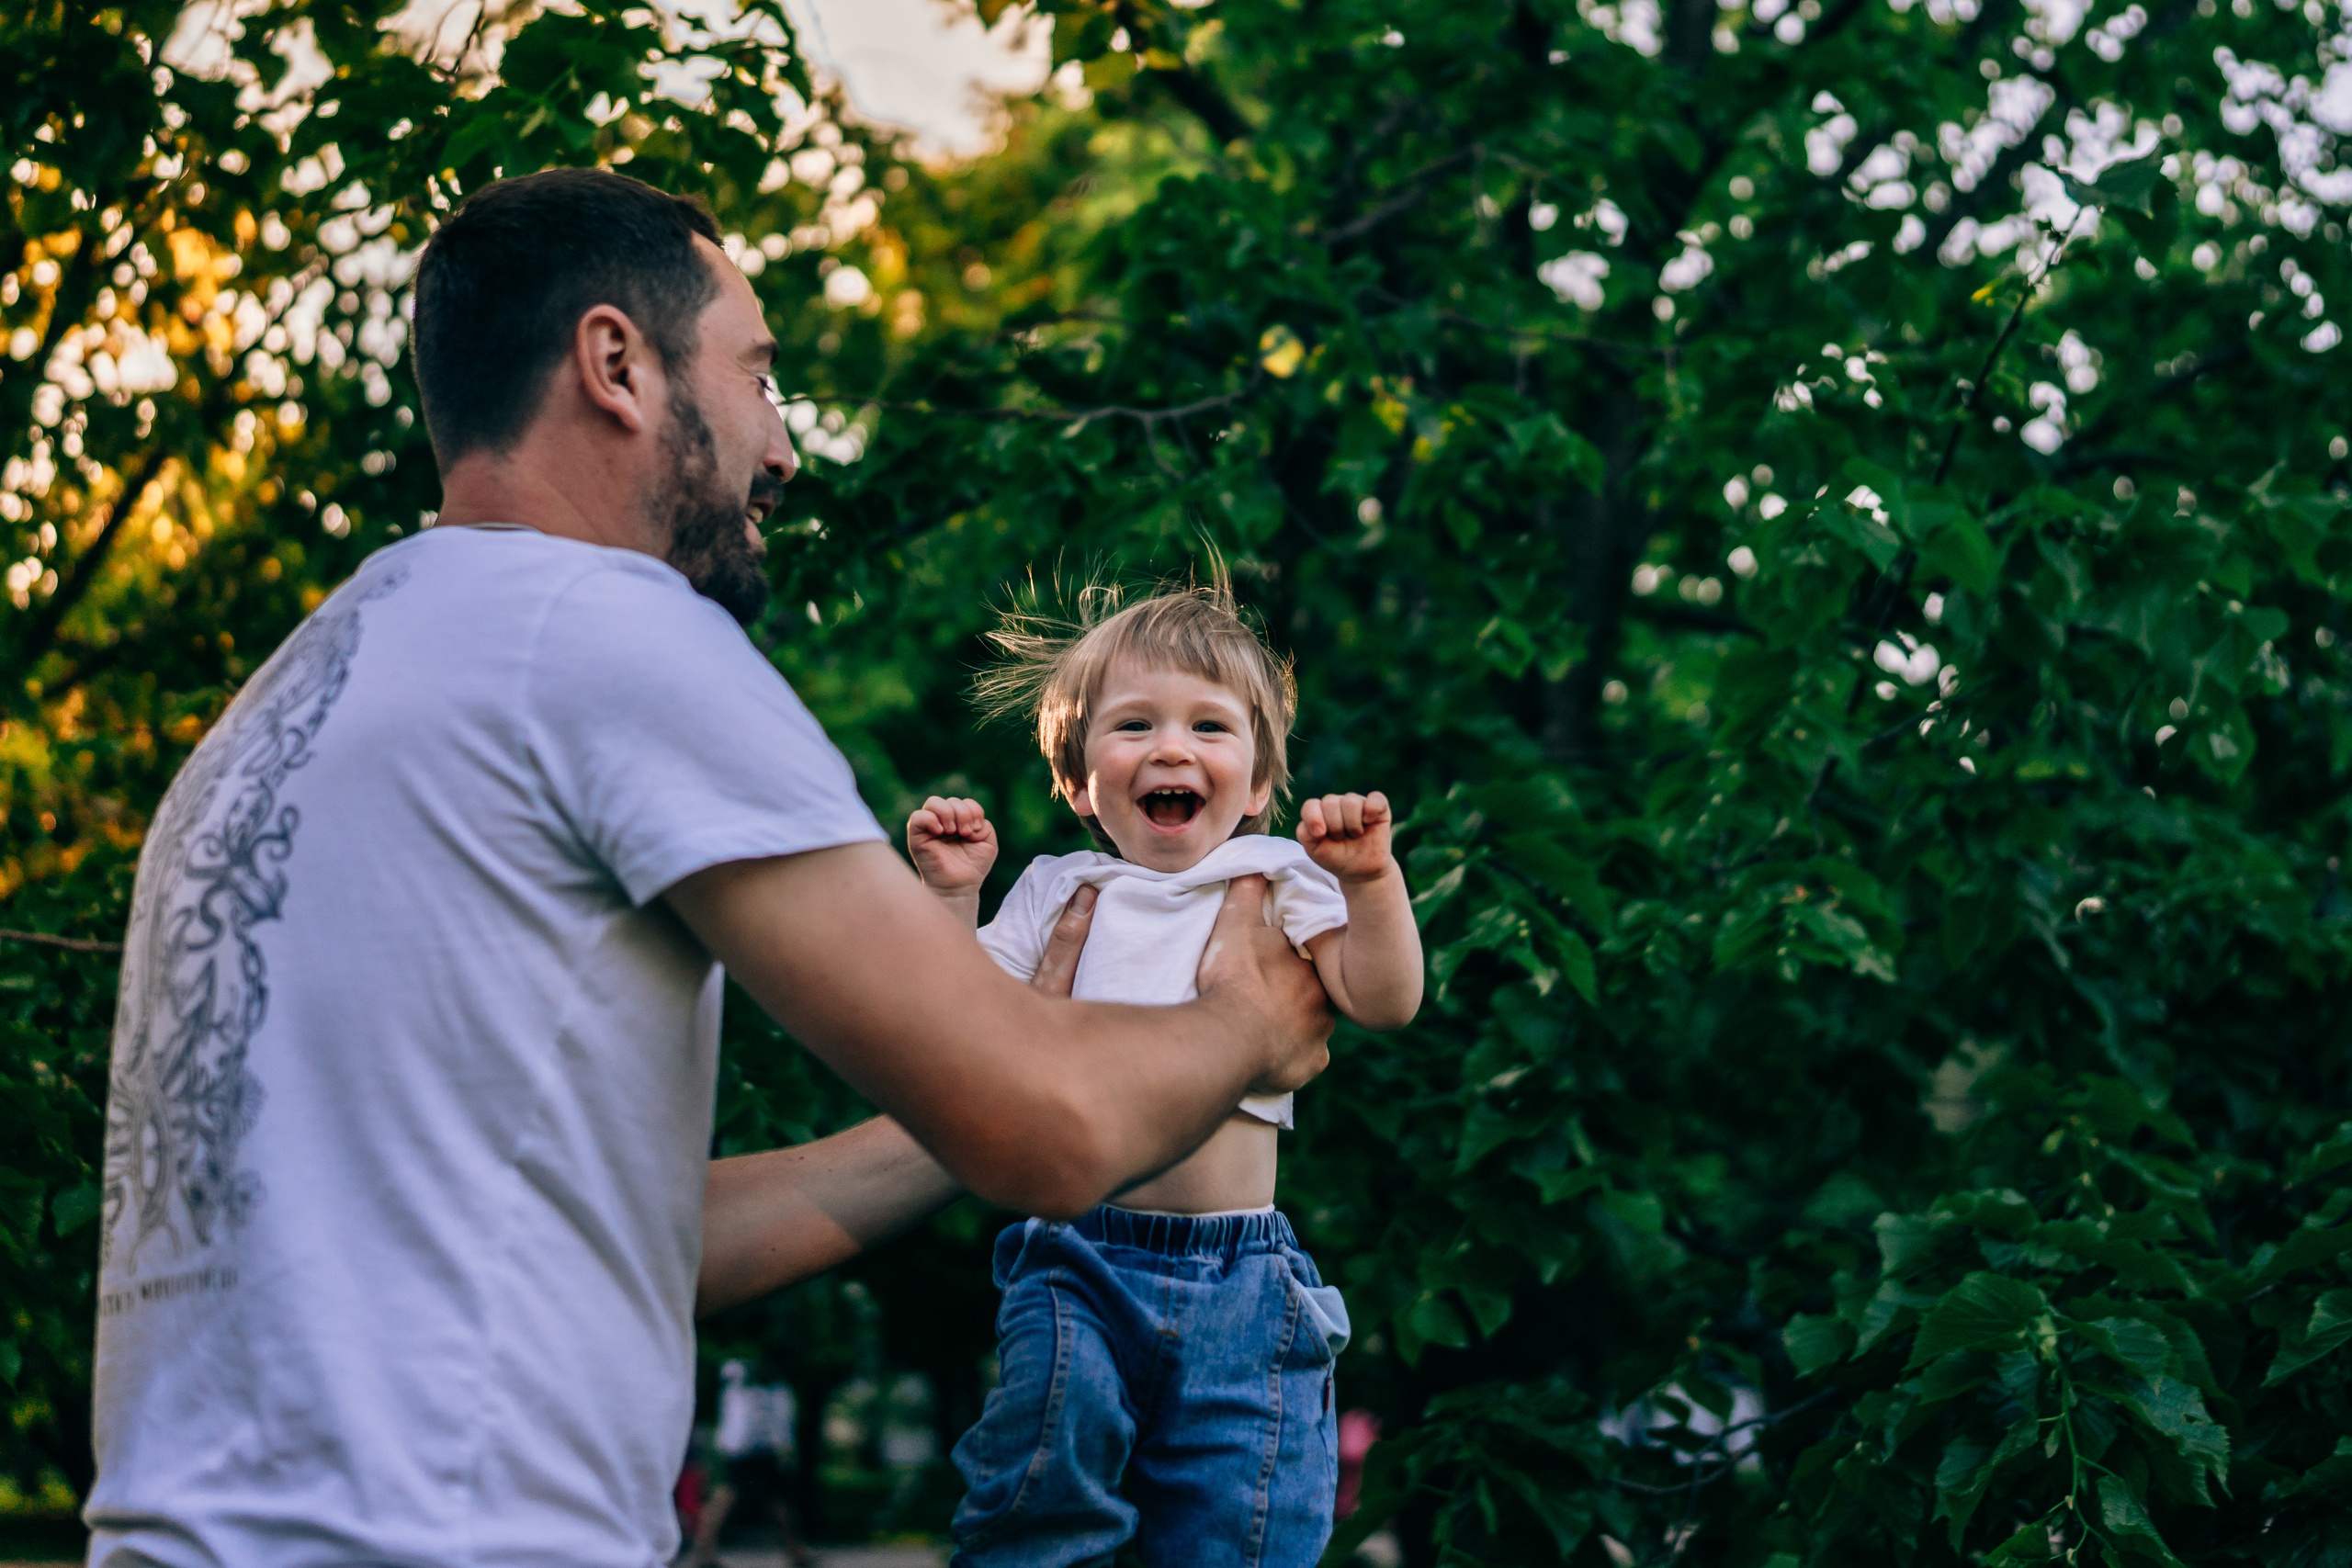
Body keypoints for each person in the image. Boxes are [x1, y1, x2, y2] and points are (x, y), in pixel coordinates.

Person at [83, 166, 1331, 1568]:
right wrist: (1252, 1019)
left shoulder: (297, 697)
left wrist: (967, 1086)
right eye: (757, 375)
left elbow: (618, 1244)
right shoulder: (606, 631)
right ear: (617, 364)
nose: (783, 448)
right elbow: (1052, 1134)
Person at [905, 581, 1424, 1568]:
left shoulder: (1275, 877)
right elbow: (946, 1026)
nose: (1172, 749)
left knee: (1241, 1524)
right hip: (1078, 1257)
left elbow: (1382, 998)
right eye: (1134, 724)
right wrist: (951, 898)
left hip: (1243, 1275)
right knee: (1041, 1487)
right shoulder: (1059, 888)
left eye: (1208, 726)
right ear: (1076, 781)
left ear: (1259, 780)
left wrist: (1369, 882)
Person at [685, 1361, 808, 1568]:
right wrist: (784, 1447)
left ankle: (704, 1551)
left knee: (744, 1497)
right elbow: (778, 1420)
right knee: (771, 1499)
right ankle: (796, 1552)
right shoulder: (770, 1387)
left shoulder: (736, 1387)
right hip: (758, 1449)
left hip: (741, 1449)